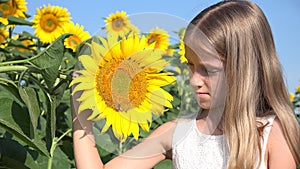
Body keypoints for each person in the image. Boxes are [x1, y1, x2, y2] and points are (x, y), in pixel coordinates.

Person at [70, 0, 300, 168]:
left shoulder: (271, 135)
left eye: (208, 70)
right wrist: (80, 111)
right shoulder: (178, 133)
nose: (193, 80)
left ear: (246, 69)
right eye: (190, 65)